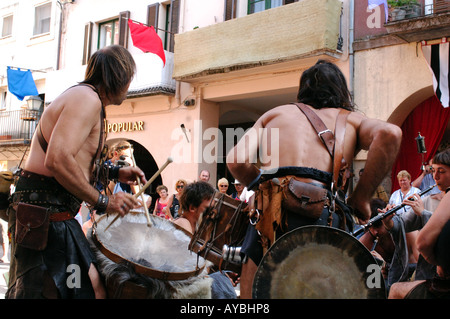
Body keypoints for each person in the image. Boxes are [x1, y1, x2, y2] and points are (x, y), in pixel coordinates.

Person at [226, 59, 402, 298]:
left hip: (270, 219)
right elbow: (390, 133)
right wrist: (361, 197)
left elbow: (235, 161)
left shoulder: (274, 114)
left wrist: (264, 188)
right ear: (341, 91)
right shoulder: (351, 119)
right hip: (326, 219)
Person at [6, 45, 146, 299]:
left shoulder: (87, 98)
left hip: (51, 214)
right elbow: (57, 159)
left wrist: (115, 173)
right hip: (46, 215)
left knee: (88, 286)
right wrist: (104, 200)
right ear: (120, 77)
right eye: (129, 78)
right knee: (82, 289)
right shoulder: (87, 99)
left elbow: (75, 160)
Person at [388, 148, 450, 298]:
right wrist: (389, 221)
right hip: (427, 272)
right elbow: (402, 224)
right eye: (433, 171)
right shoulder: (427, 200)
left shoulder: (441, 201)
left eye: (441, 171)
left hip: (442, 278)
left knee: (396, 290)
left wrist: (423, 213)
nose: (435, 176)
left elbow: (430, 237)